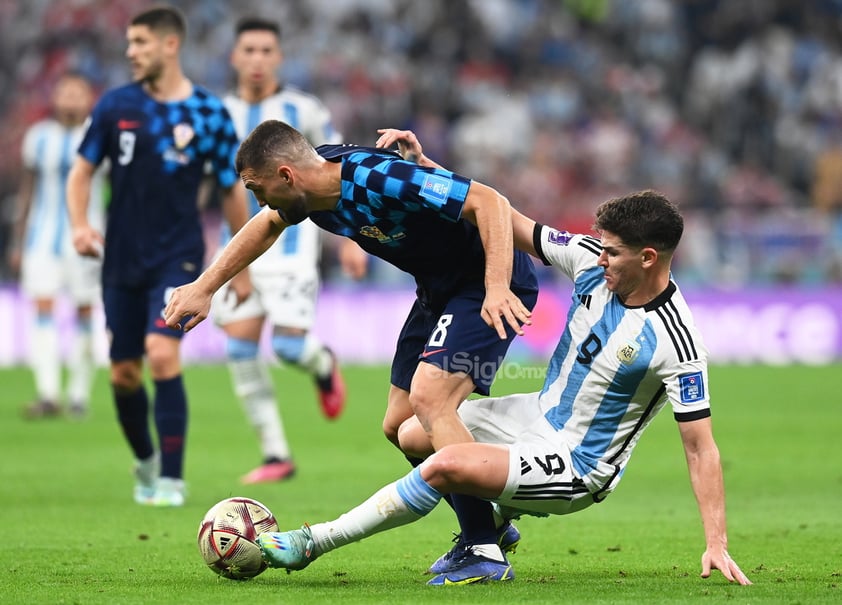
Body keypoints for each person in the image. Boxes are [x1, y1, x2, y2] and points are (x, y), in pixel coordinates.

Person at [254, 188, 752, 588]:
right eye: (600, 247)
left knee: (446, 463)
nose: (601, 259)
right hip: (534, 417)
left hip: (577, 465)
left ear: (648, 258)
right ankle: (488, 530)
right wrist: (428, 171)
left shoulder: (678, 342)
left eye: (613, 253)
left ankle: (315, 542)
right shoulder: (589, 262)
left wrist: (716, 541)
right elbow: (504, 216)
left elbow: (700, 449)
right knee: (412, 431)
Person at [163, 120, 539, 539]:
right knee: (399, 426)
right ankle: (488, 522)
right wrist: (204, 287)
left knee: (431, 400)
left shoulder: (376, 177)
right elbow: (266, 225)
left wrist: (497, 286)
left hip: (485, 280)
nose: (259, 199)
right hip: (438, 290)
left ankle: (481, 546)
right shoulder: (312, 191)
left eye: (257, 188)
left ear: (286, 175)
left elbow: (488, 202)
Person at [66, 5, 250, 507]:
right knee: (123, 373)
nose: (131, 53)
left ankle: (172, 478)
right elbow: (81, 172)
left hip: (180, 258)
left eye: (140, 43)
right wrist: (81, 225)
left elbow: (233, 188)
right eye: (129, 44)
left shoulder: (208, 113)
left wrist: (241, 268)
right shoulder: (114, 106)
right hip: (121, 259)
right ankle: (146, 460)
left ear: (170, 45)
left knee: (162, 353)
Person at [212, 17, 363, 485]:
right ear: (235, 57)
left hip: (293, 244)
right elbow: (218, 185)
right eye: (249, 50)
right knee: (239, 347)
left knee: (288, 347)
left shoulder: (306, 109)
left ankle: (322, 362)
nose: (257, 59)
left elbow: (334, 173)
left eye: (266, 51)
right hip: (237, 246)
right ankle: (276, 454)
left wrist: (350, 240)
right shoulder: (216, 114)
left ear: (278, 58)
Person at [11, 71, 104, 420]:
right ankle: (48, 394)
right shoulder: (37, 138)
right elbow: (27, 189)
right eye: (64, 93)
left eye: (77, 94)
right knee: (44, 308)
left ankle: (78, 395)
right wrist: (18, 240)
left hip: (88, 240)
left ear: (88, 99)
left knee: (84, 312)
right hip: (41, 239)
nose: (70, 100)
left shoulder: (100, 135)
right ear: (55, 98)